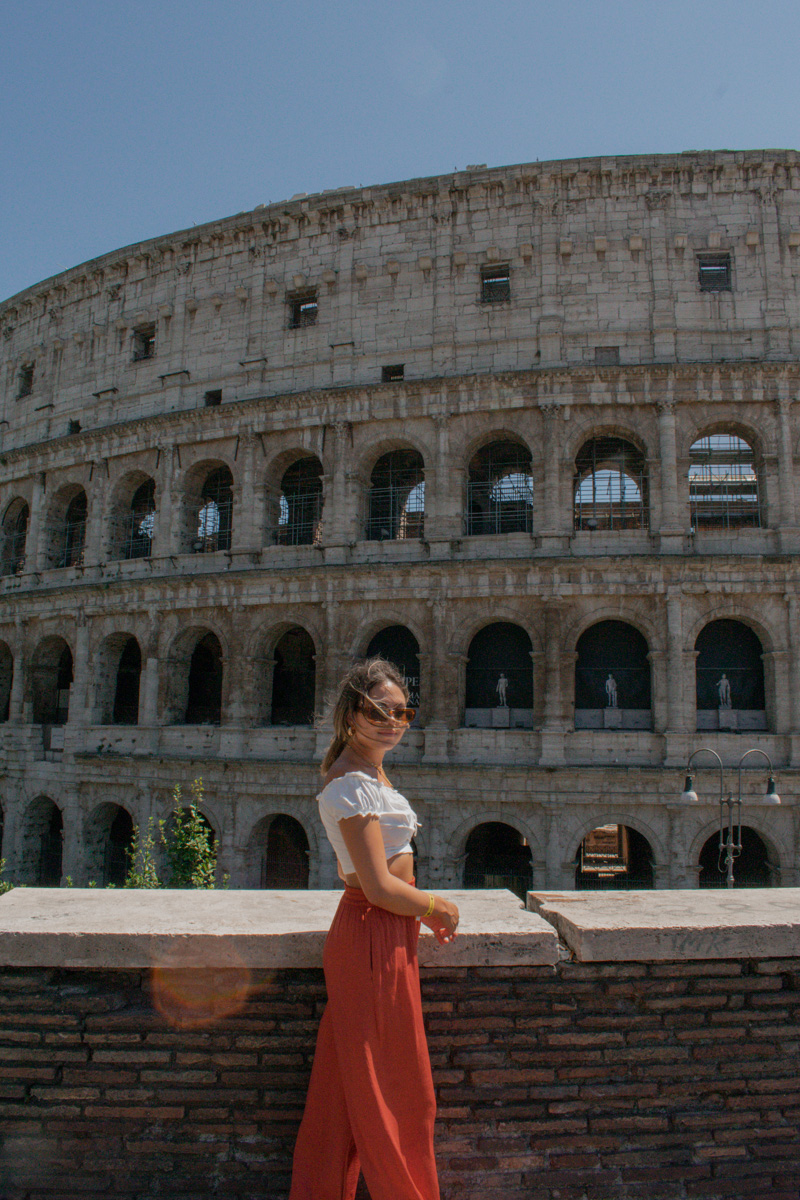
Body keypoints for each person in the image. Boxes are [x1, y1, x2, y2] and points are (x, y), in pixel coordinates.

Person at [289, 657, 460, 1200]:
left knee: (342, 1099)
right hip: (371, 932)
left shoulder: (369, 772)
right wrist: (435, 906)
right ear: (350, 714)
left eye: (402, 711)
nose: (394, 721)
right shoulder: (349, 784)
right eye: (379, 711)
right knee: (399, 1091)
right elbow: (378, 885)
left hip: (378, 936)